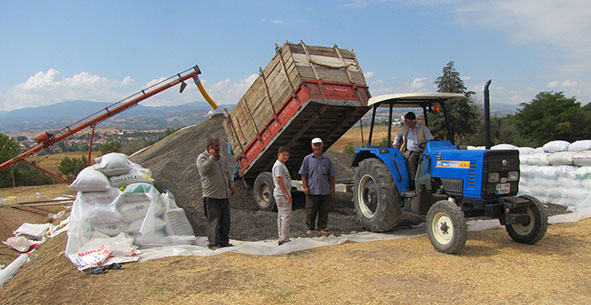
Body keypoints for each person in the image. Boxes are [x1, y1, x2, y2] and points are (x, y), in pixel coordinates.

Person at [196, 136, 235, 250]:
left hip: (224, 195)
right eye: (216, 146)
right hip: (211, 196)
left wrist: (231, 185)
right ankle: (213, 243)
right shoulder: (202, 158)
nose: (218, 148)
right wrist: (212, 158)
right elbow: (203, 170)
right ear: (209, 147)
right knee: (214, 220)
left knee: (225, 220)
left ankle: (223, 241)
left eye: (218, 146)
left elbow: (227, 172)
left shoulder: (222, 158)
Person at [299, 137, 335, 235]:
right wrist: (305, 187)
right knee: (311, 210)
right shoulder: (307, 159)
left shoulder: (327, 159)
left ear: (322, 146)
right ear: (312, 146)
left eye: (319, 145)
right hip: (312, 189)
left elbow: (331, 174)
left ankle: (322, 227)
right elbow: (303, 175)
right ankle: (310, 227)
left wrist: (332, 187)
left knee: (324, 210)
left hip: (324, 189)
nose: (317, 147)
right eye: (315, 145)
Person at [393, 112, 434, 184]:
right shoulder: (405, 128)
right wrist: (395, 144)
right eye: (405, 121)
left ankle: (415, 181)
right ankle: (411, 181)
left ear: (412, 121)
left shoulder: (423, 128)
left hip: (421, 151)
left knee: (412, 158)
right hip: (408, 151)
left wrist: (425, 145)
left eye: (406, 121)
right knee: (399, 160)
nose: (406, 123)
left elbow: (430, 139)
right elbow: (398, 136)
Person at [273, 146, 292, 246]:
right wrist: (287, 194)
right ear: (278, 155)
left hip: (281, 193)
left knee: (281, 216)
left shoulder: (281, 165)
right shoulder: (279, 166)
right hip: (281, 193)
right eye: (283, 154)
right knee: (285, 216)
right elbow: (279, 180)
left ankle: (282, 236)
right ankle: (284, 239)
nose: (285, 157)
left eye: (287, 155)